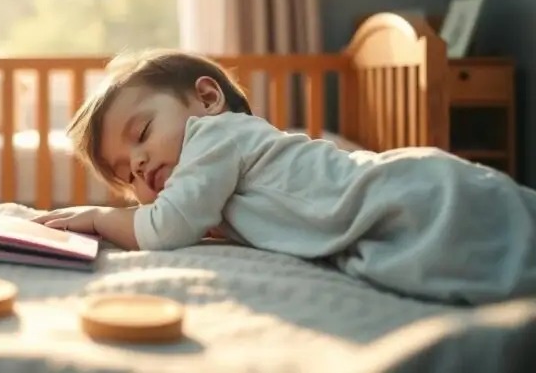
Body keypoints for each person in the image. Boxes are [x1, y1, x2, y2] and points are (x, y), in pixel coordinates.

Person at [33, 48, 536, 305]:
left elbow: (165, 226)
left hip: (414, 193)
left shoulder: (215, 136)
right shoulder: (218, 178)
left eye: (141, 132)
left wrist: (102, 219)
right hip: (400, 198)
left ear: (207, 100)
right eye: (125, 174)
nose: (138, 165)